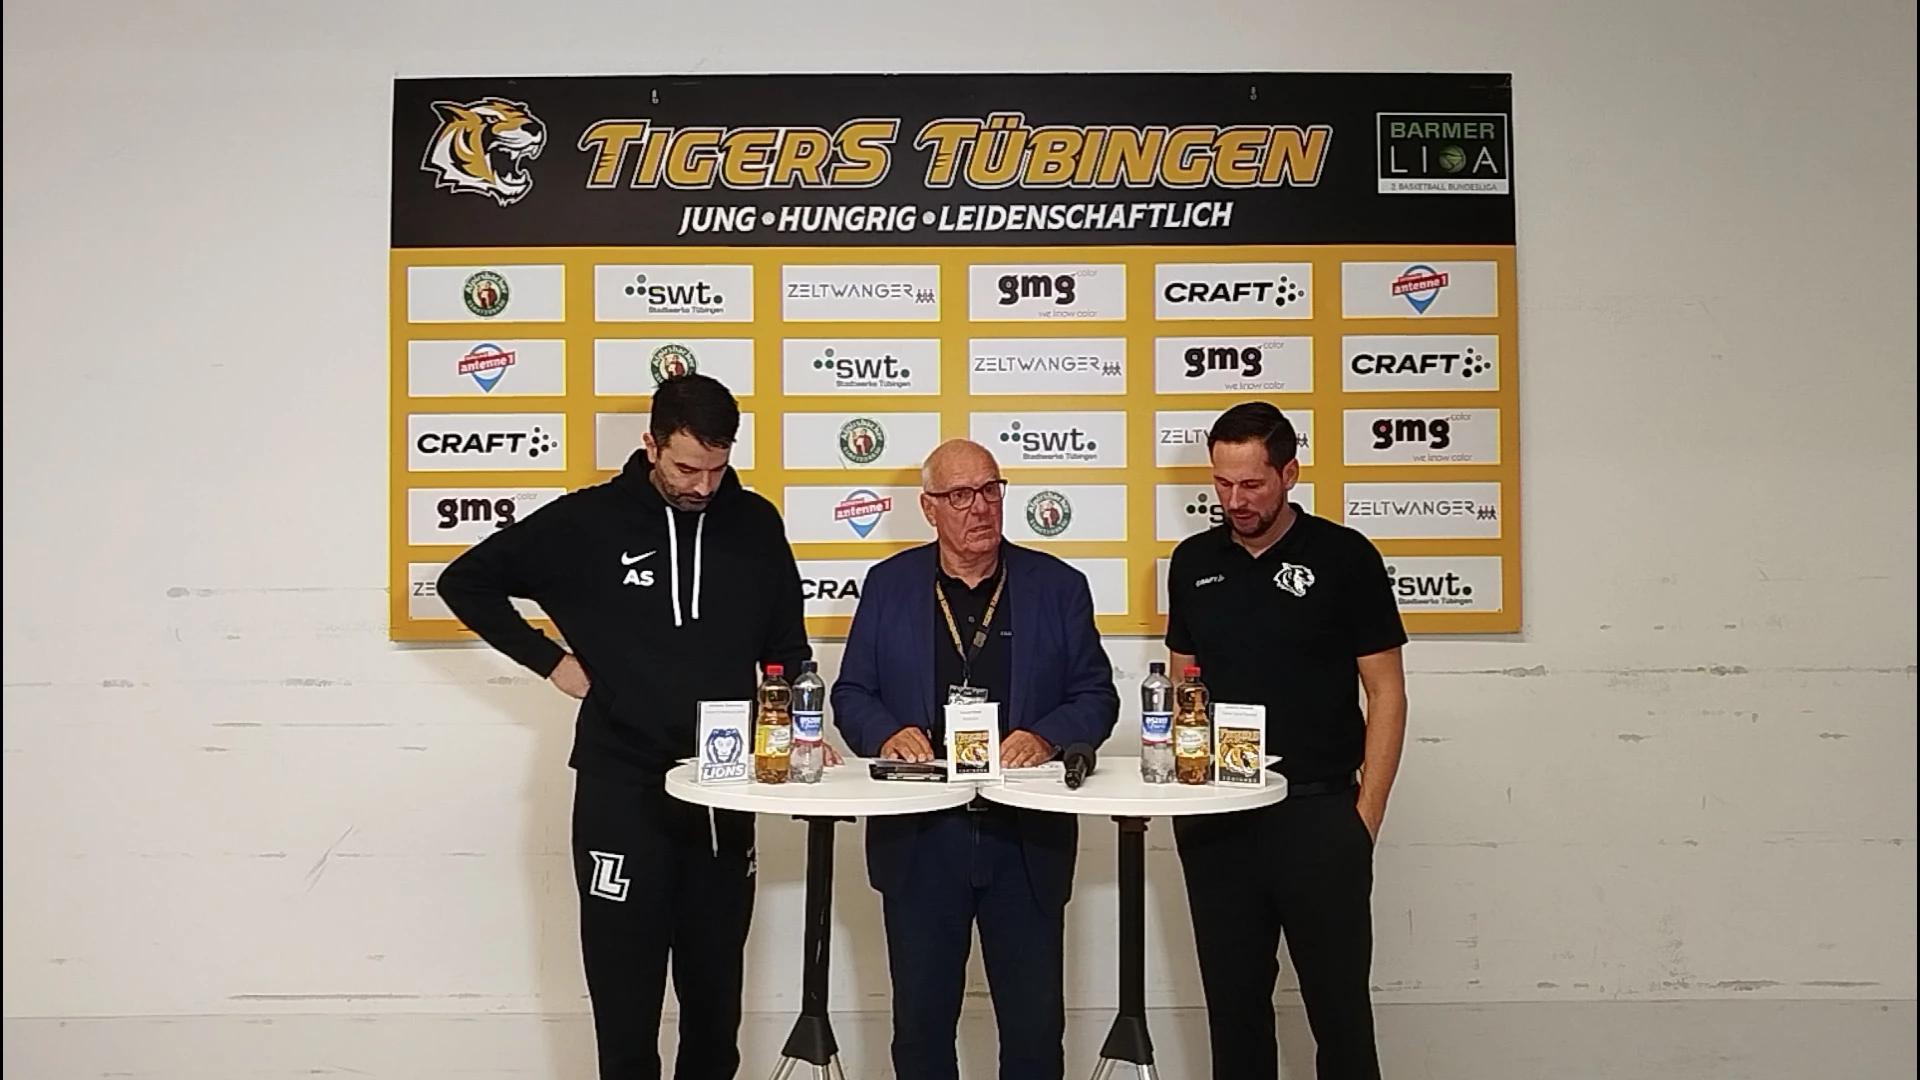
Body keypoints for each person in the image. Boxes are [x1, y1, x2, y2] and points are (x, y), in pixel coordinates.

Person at [436, 374, 811, 1080]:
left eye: (718, 468)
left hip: (724, 791)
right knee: (626, 1011)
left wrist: (791, 724)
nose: (703, 486)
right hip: (622, 790)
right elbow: (465, 580)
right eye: (687, 468)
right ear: (651, 444)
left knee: (715, 1015)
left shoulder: (756, 523)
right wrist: (552, 663)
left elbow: (786, 648)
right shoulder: (588, 522)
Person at [831, 439, 1119, 1080]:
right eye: (961, 495)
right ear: (929, 508)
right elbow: (851, 693)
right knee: (921, 1034)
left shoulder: (1058, 586)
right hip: (922, 837)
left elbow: (1097, 696)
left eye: (991, 489)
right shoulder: (889, 585)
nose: (981, 508)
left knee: (1034, 1034)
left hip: (1026, 837)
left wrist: (1045, 736)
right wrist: (887, 734)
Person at [1164, 402, 1409, 1080]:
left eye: (1252, 484)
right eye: (1222, 483)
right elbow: (1185, 681)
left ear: (1290, 474)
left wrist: (1364, 817)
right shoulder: (1192, 561)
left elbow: (1387, 692)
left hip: (1319, 813)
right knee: (1234, 1015)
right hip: (1219, 817)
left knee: (1340, 1015)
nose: (1235, 500)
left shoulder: (1345, 557)